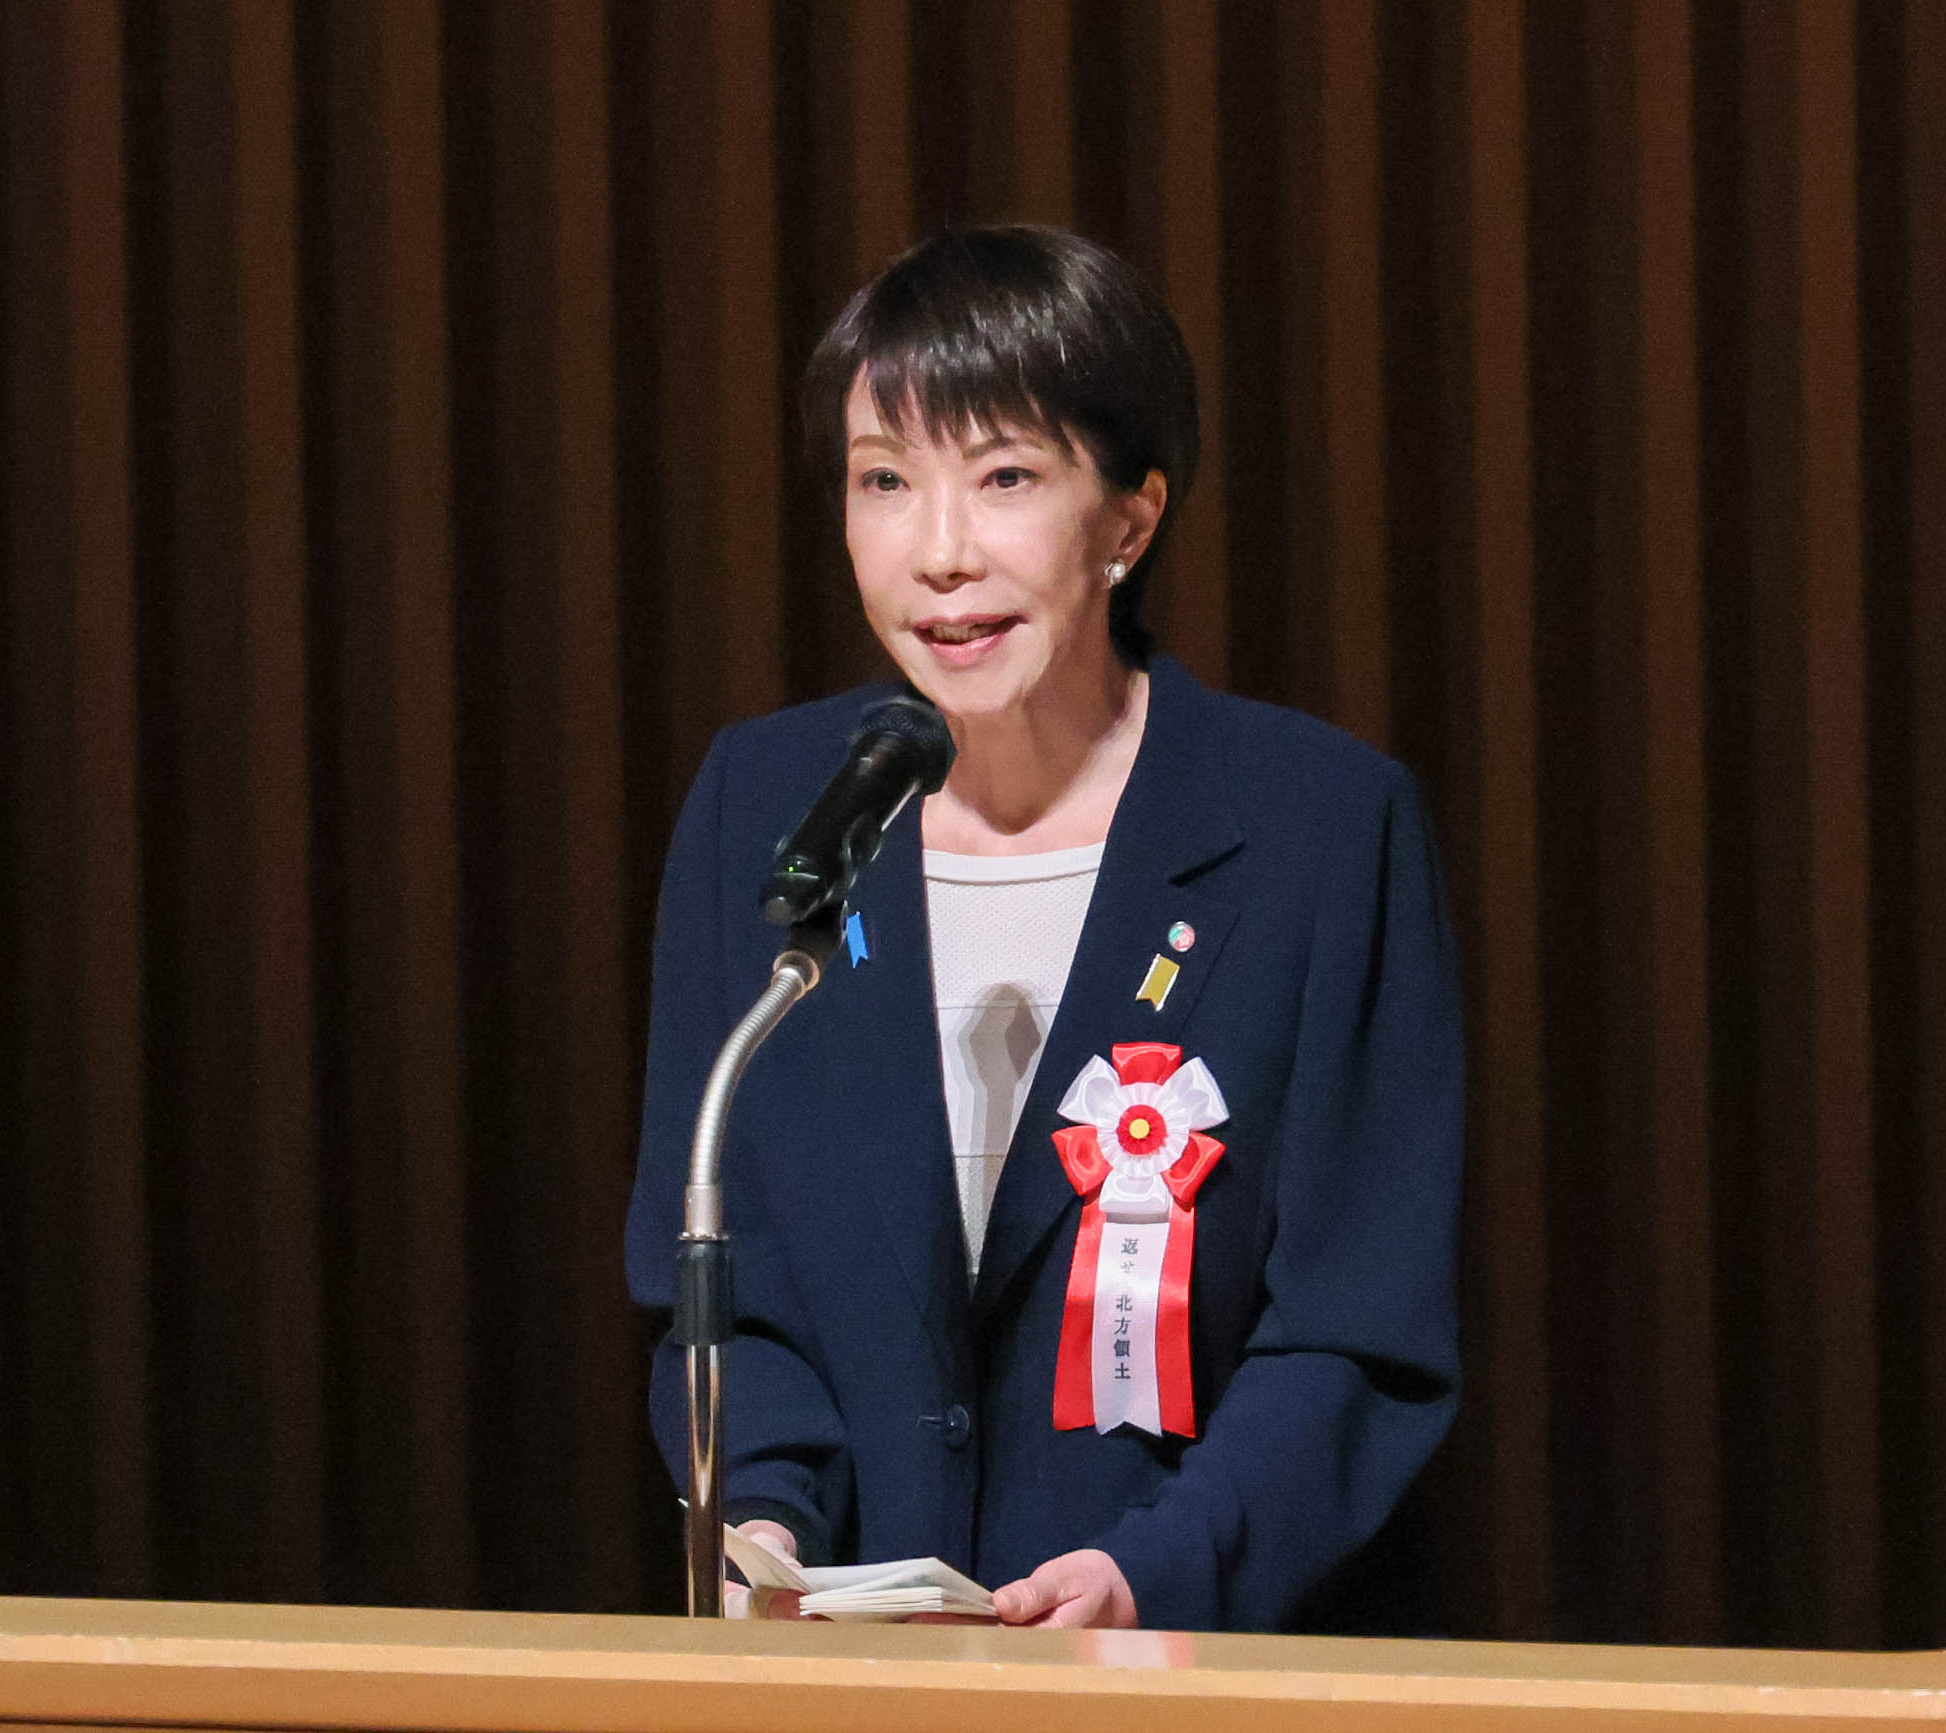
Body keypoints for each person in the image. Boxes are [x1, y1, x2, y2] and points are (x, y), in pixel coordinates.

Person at [623, 226, 1461, 1633]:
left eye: (1005, 477)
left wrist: (1158, 1568)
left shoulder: (1317, 826)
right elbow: (718, 1276)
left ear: (1130, 518)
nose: (940, 553)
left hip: (1199, 1672)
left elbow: (1354, 1329)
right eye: (885, 480)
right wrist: (761, 1511)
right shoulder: (771, 806)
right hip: (849, 1687)